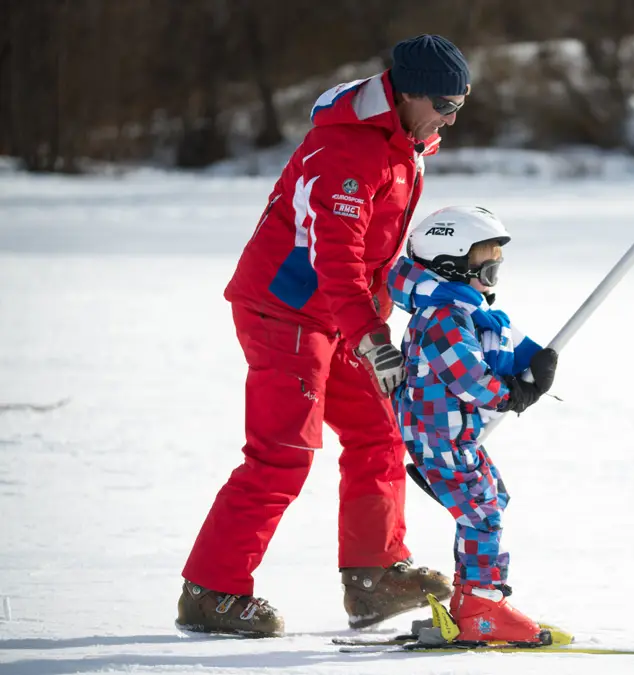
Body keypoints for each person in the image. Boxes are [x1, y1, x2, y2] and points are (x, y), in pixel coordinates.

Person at [176, 35, 472, 638]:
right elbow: (336, 257)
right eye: (444, 103)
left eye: (461, 104)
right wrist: (371, 337)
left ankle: (375, 576)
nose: (451, 117)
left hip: (336, 315)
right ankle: (211, 591)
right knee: (282, 452)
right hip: (283, 310)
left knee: (380, 431)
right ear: (407, 91)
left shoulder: (402, 143)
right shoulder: (350, 150)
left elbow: (379, 253)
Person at [388, 206, 558, 644]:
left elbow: (494, 350)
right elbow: (468, 379)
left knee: (491, 499)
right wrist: (511, 394)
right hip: (438, 432)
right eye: (486, 256)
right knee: (482, 511)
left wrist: (533, 366)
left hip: (449, 432)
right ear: (452, 262)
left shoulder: (458, 310)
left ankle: (472, 598)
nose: (495, 265)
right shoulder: (443, 318)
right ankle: (482, 608)